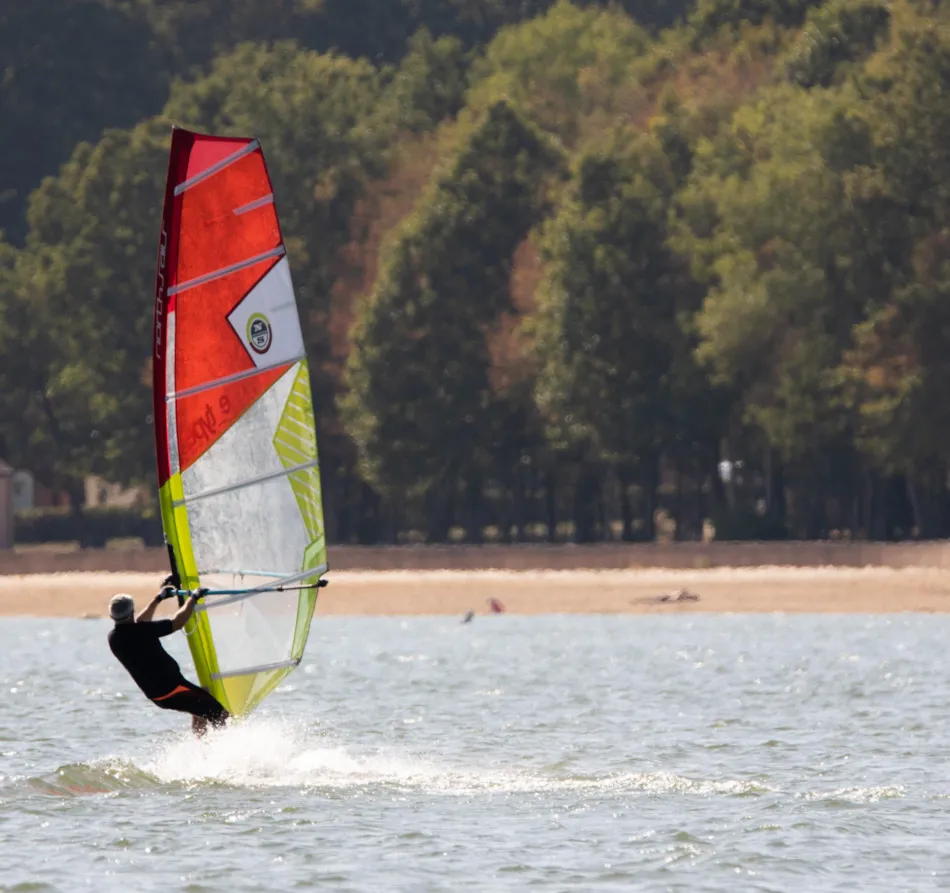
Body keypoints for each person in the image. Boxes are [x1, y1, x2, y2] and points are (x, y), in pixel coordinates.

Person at [107, 577, 229, 737]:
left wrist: (159, 599)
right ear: (132, 612)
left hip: (157, 695)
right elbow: (177, 622)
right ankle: (227, 746)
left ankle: (203, 750)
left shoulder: (114, 637)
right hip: (174, 689)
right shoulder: (142, 631)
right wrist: (193, 598)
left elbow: (140, 622)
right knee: (221, 714)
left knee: (200, 703)